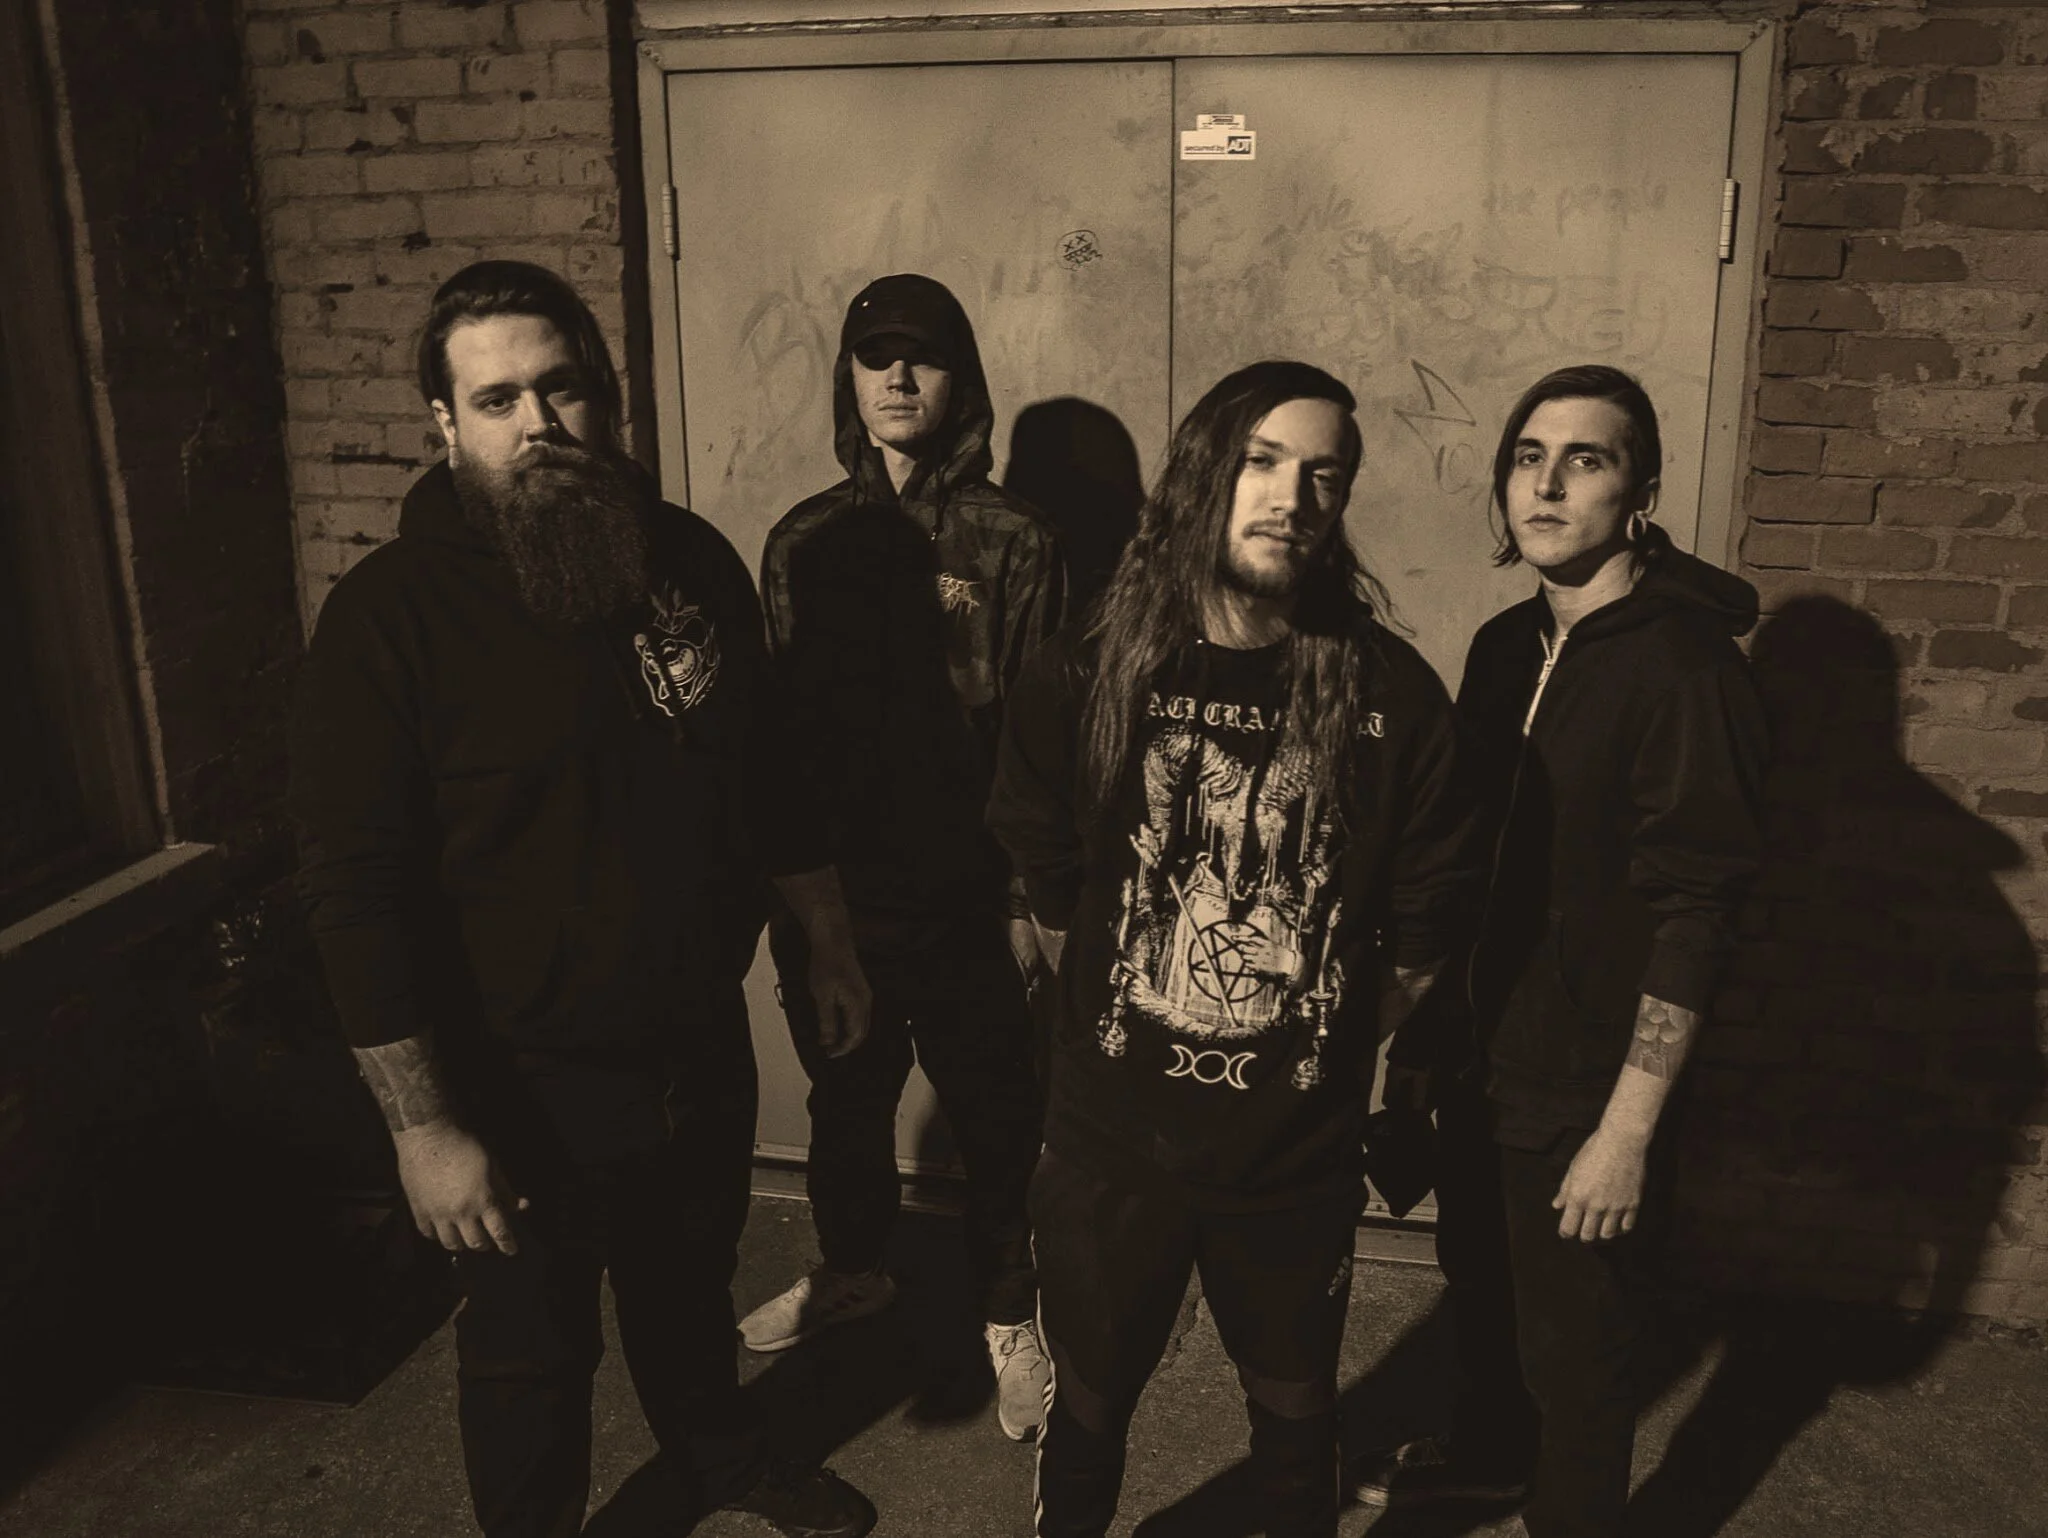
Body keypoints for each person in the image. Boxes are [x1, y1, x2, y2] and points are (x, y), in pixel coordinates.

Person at [291, 260, 876, 1538]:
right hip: (515, 1078)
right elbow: (354, 893)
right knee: (529, 1349)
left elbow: (765, 771)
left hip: (689, 1040)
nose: (537, 423)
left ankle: (722, 1458)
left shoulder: (684, 558)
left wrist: (827, 935)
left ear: (605, 394)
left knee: (689, 1285)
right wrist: (423, 1128)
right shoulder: (387, 618)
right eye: (495, 399)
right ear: (445, 424)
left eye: (559, 388)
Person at [988, 360, 1480, 1538]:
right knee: (1089, 1410)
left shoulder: (1390, 694)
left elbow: (1426, 928)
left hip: (1290, 1158)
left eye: (1323, 474)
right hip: (1110, 1146)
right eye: (1261, 461)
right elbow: (1046, 875)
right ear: (1203, 472)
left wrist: (1308, 1023)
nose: (1290, 497)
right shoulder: (1090, 666)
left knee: (1295, 1418)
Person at [1352, 364, 1768, 1538]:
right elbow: (1456, 868)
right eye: (1526, 457)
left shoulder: (1686, 671)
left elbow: (1697, 913)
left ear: (1638, 491)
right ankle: (1493, 1460)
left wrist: (1624, 1132)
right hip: (1480, 1054)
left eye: (1583, 459)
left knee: (1577, 1349)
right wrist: (1418, 1052)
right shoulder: (1502, 646)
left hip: (1585, 1080)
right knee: (1479, 1281)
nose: (1544, 484)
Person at [743, 273, 1065, 1442]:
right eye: (872, 353)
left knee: (996, 1118)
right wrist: (800, 901)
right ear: (847, 375)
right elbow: (779, 740)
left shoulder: (1014, 539)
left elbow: (1040, 735)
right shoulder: (803, 539)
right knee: (846, 1104)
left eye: (918, 354)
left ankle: (1009, 1311)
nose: (894, 374)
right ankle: (853, 1268)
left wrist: (1025, 901)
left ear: (957, 377)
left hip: (969, 900)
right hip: (840, 899)